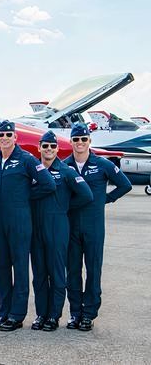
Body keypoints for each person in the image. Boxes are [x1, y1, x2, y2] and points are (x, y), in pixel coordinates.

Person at [0, 120, 56, 332]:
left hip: (20, 221)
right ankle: (3, 312)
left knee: (20, 268)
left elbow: (48, 184)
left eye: (8, 134)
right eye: (1, 135)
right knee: (1, 268)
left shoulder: (27, 160)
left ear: (15, 137)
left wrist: (24, 197)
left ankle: (16, 315)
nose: (5, 138)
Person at [63, 123, 131, 331]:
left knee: (93, 271)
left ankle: (89, 314)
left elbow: (125, 185)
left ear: (89, 141)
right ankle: (75, 313)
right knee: (73, 272)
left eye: (84, 139)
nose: (80, 143)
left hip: (94, 227)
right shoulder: (65, 166)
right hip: (71, 228)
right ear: (72, 142)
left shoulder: (102, 164)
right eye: (76, 140)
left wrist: (105, 199)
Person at [29, 130, 93, 332]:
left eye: (52, 146)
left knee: (57, 273)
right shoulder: (33, 171)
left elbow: (87, 195)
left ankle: (54, 316)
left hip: (57, 226)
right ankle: (41, 314)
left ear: (57, 149)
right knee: (39, 273)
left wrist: (64, 206)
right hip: (36, 227)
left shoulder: (66, 171)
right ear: (39, 148)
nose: (49, 149)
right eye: (45, 146)